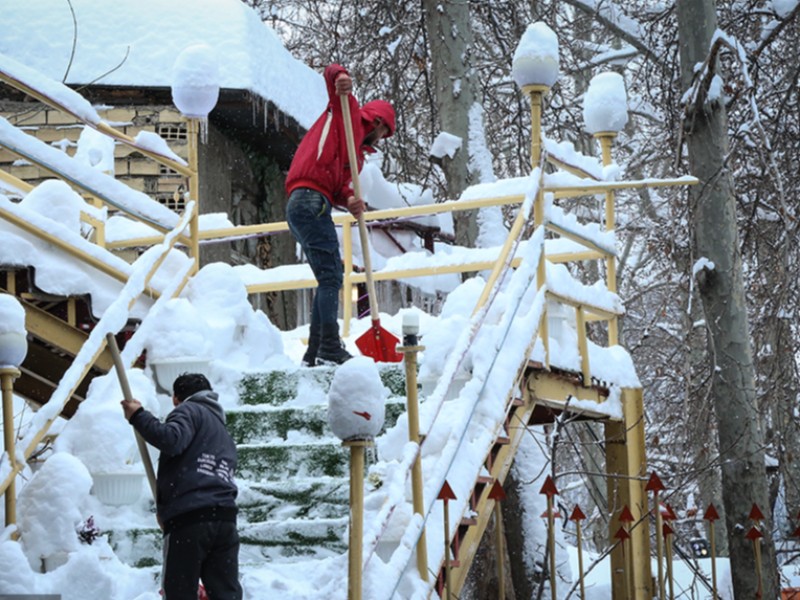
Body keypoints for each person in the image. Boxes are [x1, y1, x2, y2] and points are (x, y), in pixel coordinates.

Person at [285, 63, 396, 367]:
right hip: (308, 199)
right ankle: (329, 346)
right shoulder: (347, 114)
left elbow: (340, 188)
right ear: (377, 121)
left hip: (306, 203)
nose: (382, 137)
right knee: (331, 276)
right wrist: (341, 77)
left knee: (328, 276)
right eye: (384, 130)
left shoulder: (356, 156)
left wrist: (349, 200)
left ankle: (316, 350)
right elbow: (331, 73)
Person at [120, 373, 242, 600]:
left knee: (179, 592)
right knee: (226, 593)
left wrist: (138, 415)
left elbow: (171, 439)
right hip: (225, 520)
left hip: (191, 519)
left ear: (176, 398)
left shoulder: (189, 410)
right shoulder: (223, 434)